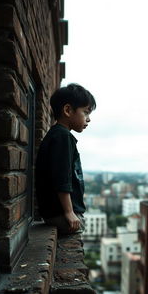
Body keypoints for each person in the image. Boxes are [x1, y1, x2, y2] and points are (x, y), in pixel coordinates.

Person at [35, 83, 96, 235]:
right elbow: (62, 178)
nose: (88, 119)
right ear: (68, 110)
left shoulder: (57, 135)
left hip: (53, 214)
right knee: (81, 227)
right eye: (86, 112)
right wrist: (69, 212)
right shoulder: (62, 137)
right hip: (61, 215)